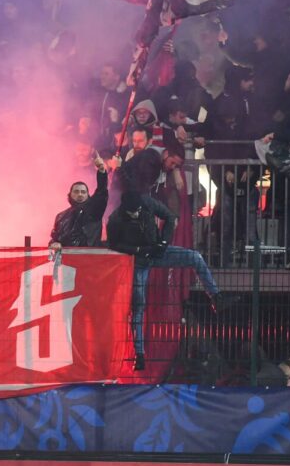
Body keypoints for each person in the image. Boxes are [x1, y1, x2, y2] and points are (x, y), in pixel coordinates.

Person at [107, 190, 224, 371]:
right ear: (124, 209)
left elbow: (169, 216)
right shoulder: (115, 219)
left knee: (195, 257)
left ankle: (216, 296)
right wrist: (138, 250)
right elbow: (113, 244)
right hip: (138, 261)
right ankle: (139, 354)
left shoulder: (147, 202)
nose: (136, 214)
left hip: (157, 251)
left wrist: (163, 243)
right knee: (138, 306)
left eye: (138, 210)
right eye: (132, 212)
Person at [49, 155, 108, 252]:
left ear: (88, 195)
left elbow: (101, 192)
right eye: (76, 192)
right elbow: (54, 239)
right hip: (67, 259)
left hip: (88, 257)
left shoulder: (94, 211)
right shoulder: (60, 216)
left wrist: (101, 171)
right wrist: (54, 243)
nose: (80, 194)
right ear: (70, 194)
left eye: (83, 192)